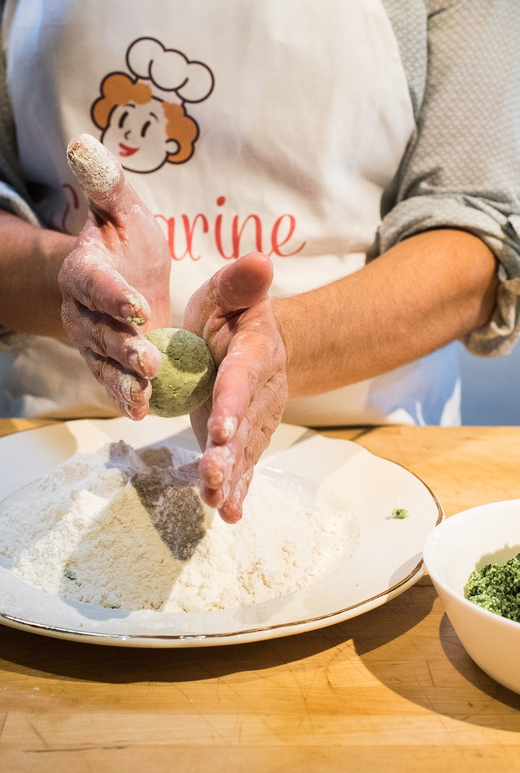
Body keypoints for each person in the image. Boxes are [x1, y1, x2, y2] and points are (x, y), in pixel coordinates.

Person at [0, 0, 518, 521]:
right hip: (58, 440)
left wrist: (284, 344)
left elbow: (474, 235)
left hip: (363, 446)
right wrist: (65, 282)